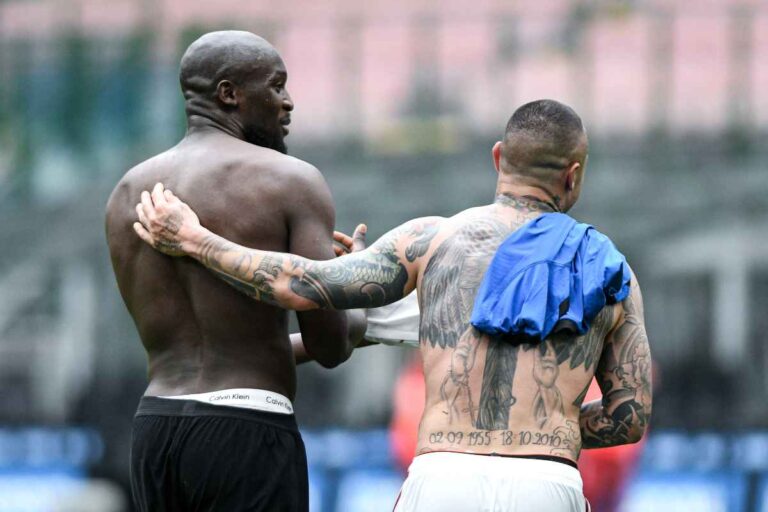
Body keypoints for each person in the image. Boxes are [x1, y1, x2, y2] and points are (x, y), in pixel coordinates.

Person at [134, 100, 653, 512]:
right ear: (574, 175)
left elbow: (301, 285)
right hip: (548, 480)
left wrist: (197, 240)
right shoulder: (611, 271)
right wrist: (548, 421)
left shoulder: (433, 242)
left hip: (444, 476)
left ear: (498, 157)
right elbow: (628, 418)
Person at [105, 31, 365, 512]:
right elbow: (331, 346)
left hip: (156, 429)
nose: (288, 103)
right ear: (229, 94)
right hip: (247, 429)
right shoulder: (290, 181)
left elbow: (221, 342)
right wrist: (355, 295)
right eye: (276, 86)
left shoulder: (126, 192)